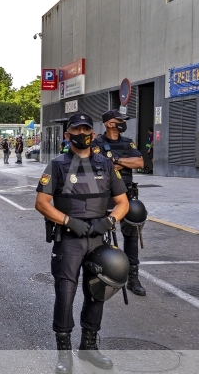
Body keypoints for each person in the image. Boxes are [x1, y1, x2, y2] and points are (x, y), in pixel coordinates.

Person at [35, 113, 129, 374]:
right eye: (77, 129)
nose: (82, 133)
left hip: (98, 238)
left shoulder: (105, 164)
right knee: (65, 295)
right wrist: (68, 221)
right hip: (69, 240)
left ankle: (88, 348)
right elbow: (41, 203)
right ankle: (64, 355)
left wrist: (108, 222)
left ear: (92, 132)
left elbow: (123, 202)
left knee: (97, 293)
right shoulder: (57, 165)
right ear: (68, 135)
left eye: (87, 128)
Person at [91, 110, 146, 296]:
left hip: (126, 192)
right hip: (104, 194)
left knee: (131, 235)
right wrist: (122, 163)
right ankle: (103, 273)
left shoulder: (127, 142)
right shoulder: (96, 144)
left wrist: (115, 160)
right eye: (118, 120)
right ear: (108, 124)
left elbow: (139, 162)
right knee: (101, 234)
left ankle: (133, 277)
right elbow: (100, 166)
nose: (122, 123)